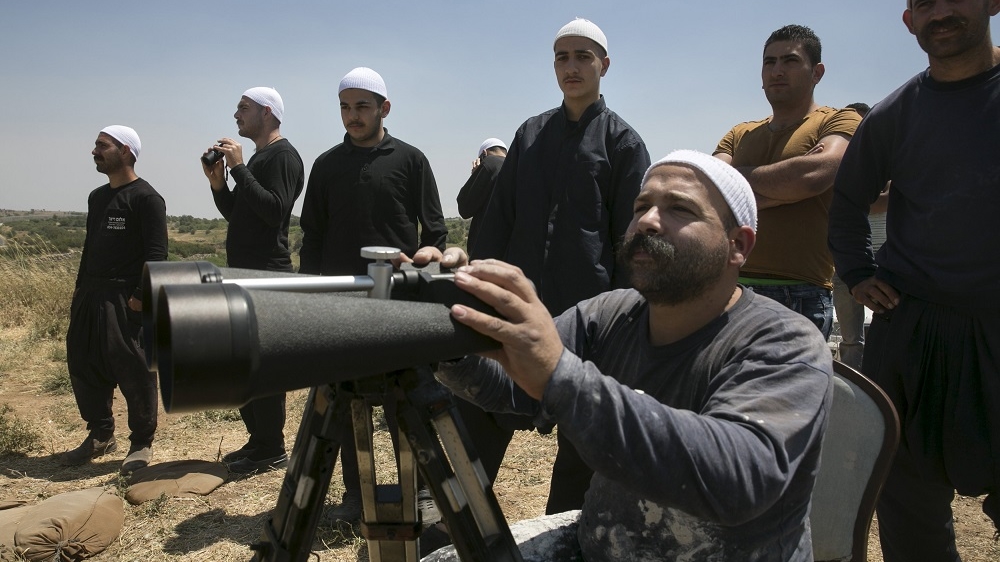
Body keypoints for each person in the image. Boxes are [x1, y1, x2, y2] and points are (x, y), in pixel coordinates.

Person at [435, 150, 832, 561]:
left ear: (738, 245)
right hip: (600, 546)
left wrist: (561, 376)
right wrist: (447, 328)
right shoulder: (608, 315)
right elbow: (513, 388)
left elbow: (736, 480)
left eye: (679, 208)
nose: (647, 220)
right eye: (642, 206)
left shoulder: (784, 343)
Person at [828, 1, 1000, 560]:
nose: (939, 12)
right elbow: (848, 198)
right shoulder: (896, 112)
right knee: (905, 496)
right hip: (913, 325)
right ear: (907, 22)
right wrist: (857, 271)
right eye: (923, 3)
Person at [469, 17, 651, 515]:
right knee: (483, 420)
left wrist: (624, 322)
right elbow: (499, 221)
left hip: (590, 321)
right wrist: (482, 290)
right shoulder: (529, 135)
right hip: (519, 311)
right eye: (561, 57)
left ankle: (567, 536)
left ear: (604, 65)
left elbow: (632, 244)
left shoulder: (623, 143)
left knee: (582, 446)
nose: (571, 67)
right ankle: (454, 527)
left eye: (582, 56)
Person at [299, 66, 447, 520]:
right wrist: (310, 298)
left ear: (384, 108)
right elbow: (313, 237)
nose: (352, 116)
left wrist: (425, 272)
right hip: (342, 300)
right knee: (344, 400)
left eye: (362, 106)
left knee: (409, 396)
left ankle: (418, 489)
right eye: (345, 107)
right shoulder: (325, 165)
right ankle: (353, 493)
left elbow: (435, 232)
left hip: (398, 300)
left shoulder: (411, 160)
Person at [714, 24, 861, 340]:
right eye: (770, 62)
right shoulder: (739, 133)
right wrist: (786, 187)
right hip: (732, 288)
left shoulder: (840, 120)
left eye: (790, 61)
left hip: (801, 295)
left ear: (816, 72)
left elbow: (813, 177)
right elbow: (710, 190)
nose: (777, 70)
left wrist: (739, 188)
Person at [201, 86, 304, 475]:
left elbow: (275, 212)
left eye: (243, 108)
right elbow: (242, 215)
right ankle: (259, 440)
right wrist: (218, 184)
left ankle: (271, 447)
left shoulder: (283, 156)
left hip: (266, 273)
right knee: (242, 359)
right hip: (244, 270)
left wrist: (241, 169)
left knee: (261, 363)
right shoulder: (261, 157)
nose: (235, 115)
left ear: (267, 112)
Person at [63, 125, 167, 474]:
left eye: (101, 145)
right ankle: (101, 434)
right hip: (91, 295)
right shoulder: (97, 197)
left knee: (133, 368)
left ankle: (141, 443)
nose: (95, 151)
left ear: (125, 151)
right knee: (83, 362)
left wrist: (139, 298)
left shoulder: (146, 198)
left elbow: (156, 254)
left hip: (125, 299)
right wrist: (79, 290)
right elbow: (89, 248)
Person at [831, 102, 887, 370]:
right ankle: (857, 387)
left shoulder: (883, 160)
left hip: (885, 259)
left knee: (884, 326)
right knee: (851, 336)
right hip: (846, 261)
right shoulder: (841, 164)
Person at [456, 138, 506, 255]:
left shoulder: (489, 163)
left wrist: (475, 175)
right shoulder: (518, 166)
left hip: (487, 249)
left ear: (484, 153)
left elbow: (465, 208)